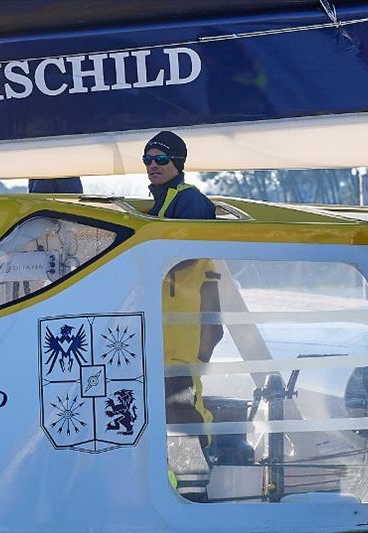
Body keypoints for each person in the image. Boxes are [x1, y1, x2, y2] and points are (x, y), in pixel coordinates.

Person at [143, 131, 221, 501]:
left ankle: (194, 496)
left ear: (178, 163)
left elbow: (188, 257)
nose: (153, 165)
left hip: (179, 342)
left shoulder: (190, 201)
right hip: (159, 341)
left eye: (161, 159)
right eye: (148, 159)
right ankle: (176, 494)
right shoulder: (160, 203)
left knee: (183, 411)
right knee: (166, 415)